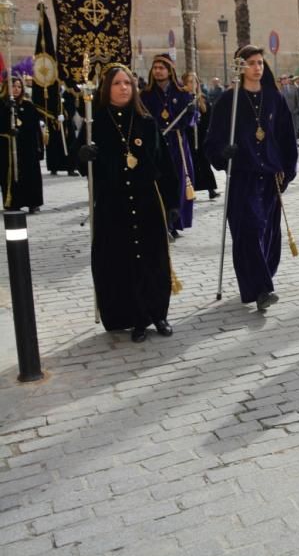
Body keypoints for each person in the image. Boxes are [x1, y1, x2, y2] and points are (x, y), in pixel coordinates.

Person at [76, 65, 179, 343]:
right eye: (117, 83)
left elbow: (165, 165)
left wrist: (172, 202)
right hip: (114, 204)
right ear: (106, 88)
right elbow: (79, 163)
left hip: (148, 202)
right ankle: (135, 318)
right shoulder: (94, 122)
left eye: (128, 83)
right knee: (123, 261)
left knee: (153, 260)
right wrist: (84, 155)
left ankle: (158, 314)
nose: (124, 88)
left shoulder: (146, 122)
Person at [204, 45, 298, 312]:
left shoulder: (274, 98)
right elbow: (212, 142)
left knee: (268, 232)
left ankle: (262, 280)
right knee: (248, 231)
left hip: (269, 176)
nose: (257, 67)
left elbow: (286, 137)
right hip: (243, 176)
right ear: (240, 67)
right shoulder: (228, 101)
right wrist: (224, 154)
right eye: (251, 63)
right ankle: (261, 289)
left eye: (260, 62)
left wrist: (288, 170)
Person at [141, 54, 197, 238]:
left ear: (169, 70)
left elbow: (192, 119)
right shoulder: (145, 95)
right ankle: (161, 222)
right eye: (155, 68)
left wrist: (189, 113)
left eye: (161, 68)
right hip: (156, 143)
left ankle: (175, 222)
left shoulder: (182, 93)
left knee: (179, 182)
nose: (157, 71)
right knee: (158, 181)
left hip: (177, 143)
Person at [2, 77, 44, 213]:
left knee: (30, 174)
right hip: (9, 147)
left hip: (28, 146)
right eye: (13, 86)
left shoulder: (28, 105)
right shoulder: (2, 104)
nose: (16, 89)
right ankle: (14, 202)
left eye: (19, 87)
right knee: (12, 174)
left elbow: (36, 128)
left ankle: (33, 202)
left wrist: (39, 148)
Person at [182, 72, 219, 201]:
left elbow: (209, 117)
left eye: (195, 82)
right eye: (190, 82)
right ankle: (190, 190)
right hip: (188, 136)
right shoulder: (183, 99)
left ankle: (211, 189)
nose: (193, 84)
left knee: (204, 163)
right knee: (189, 163)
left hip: (201, 135)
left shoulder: (202, 99)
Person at [280, 75, 299, 140]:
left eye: (285, 78)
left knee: (294, 127)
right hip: (283, 112)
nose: (284, 80)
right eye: (283, 79)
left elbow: (297, 100)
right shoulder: (279, 89)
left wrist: (297, 109)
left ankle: (294, 141)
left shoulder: (294, 88)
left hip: (293, 112)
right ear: (281, 81)